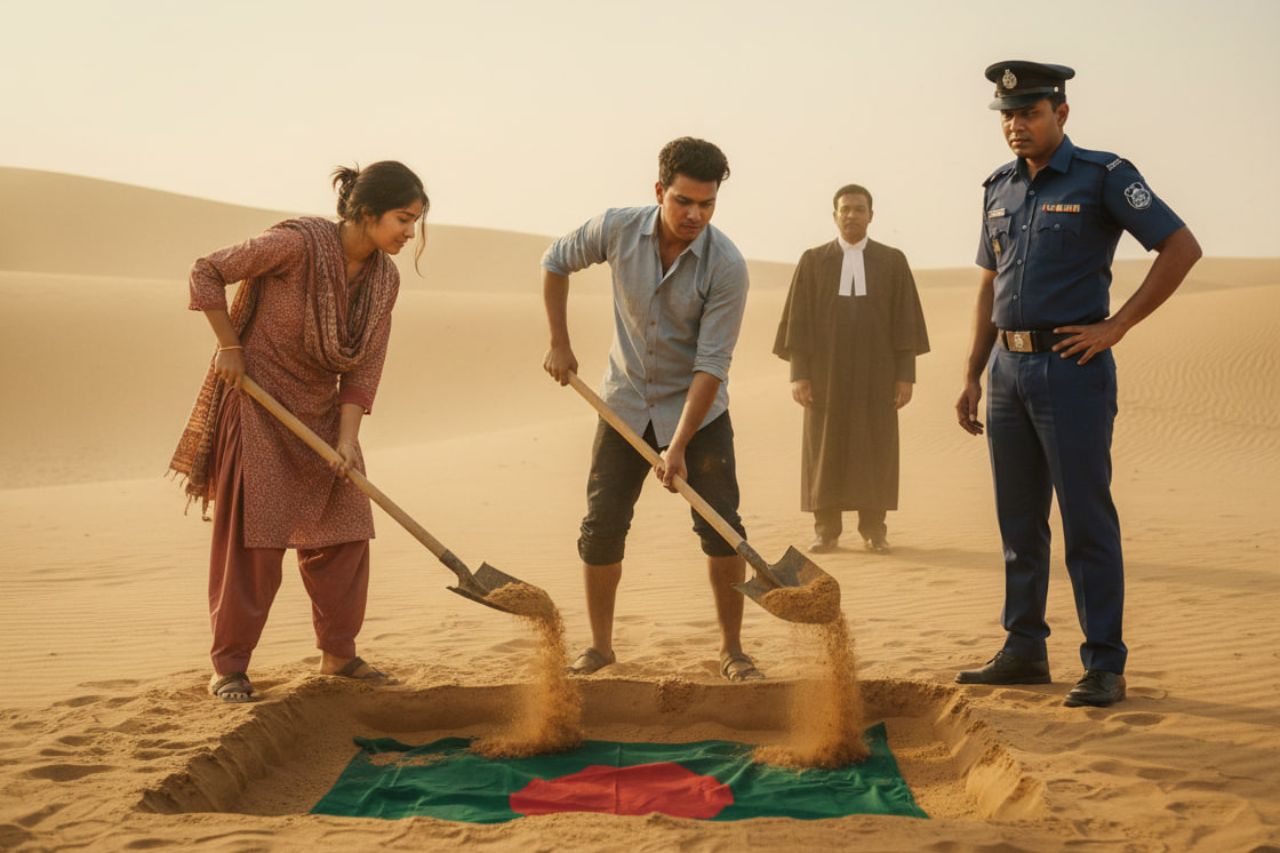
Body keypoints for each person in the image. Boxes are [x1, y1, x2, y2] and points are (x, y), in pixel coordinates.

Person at [954, 62, 1201, 707]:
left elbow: (1180, 247)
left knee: (1086, 519)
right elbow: (989, 283)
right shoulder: (998, 188)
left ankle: (1103, 663)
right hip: (1006, 373)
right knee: (1018, 521)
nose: (1016, 125)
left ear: (1060, 114)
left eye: (1029, 112)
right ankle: (1024, 649)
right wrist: (972, 373)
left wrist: (1116, 326)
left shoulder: (1104, 176)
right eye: (1007, 114)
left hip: (1071, 369)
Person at [169, 161, 428, 702]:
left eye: (415, 222)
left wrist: (347, 438)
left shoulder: (385, 279)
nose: (410, 233)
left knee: (347, 531)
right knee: (255, 544)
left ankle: (339, 655)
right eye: (403, 219)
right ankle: (230, 668)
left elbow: (364, 367)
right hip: (257, 406)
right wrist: (230, 346)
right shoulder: (295, 244)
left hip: (322, 414)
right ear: (365, 211)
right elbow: (206, 271)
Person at [541, 137, 762, 681]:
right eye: (684, 201)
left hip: (698, 412)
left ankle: (732, 649)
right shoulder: (617, 228)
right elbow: (555, 261)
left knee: (721, 526)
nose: (695, 215)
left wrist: (680, 445)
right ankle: (599, 648)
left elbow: (712, 363)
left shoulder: (726, 264)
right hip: (622, 403)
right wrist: (559, 342)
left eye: (707, 205)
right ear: (659, 190)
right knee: (601, 527)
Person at [773, 184, 930, 555]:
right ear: (834, 215)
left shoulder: (892, 261)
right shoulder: (813, 261)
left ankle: (874, 529)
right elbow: (799, 320)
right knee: (824, 448)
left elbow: (905, 321)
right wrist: (799, 373)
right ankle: (826, 529)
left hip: (878, 375)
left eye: (859, 209)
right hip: (826, 374)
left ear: (871, 216)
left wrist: (905, 375)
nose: (851, 215)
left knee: (875, 446)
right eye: (845, 209)